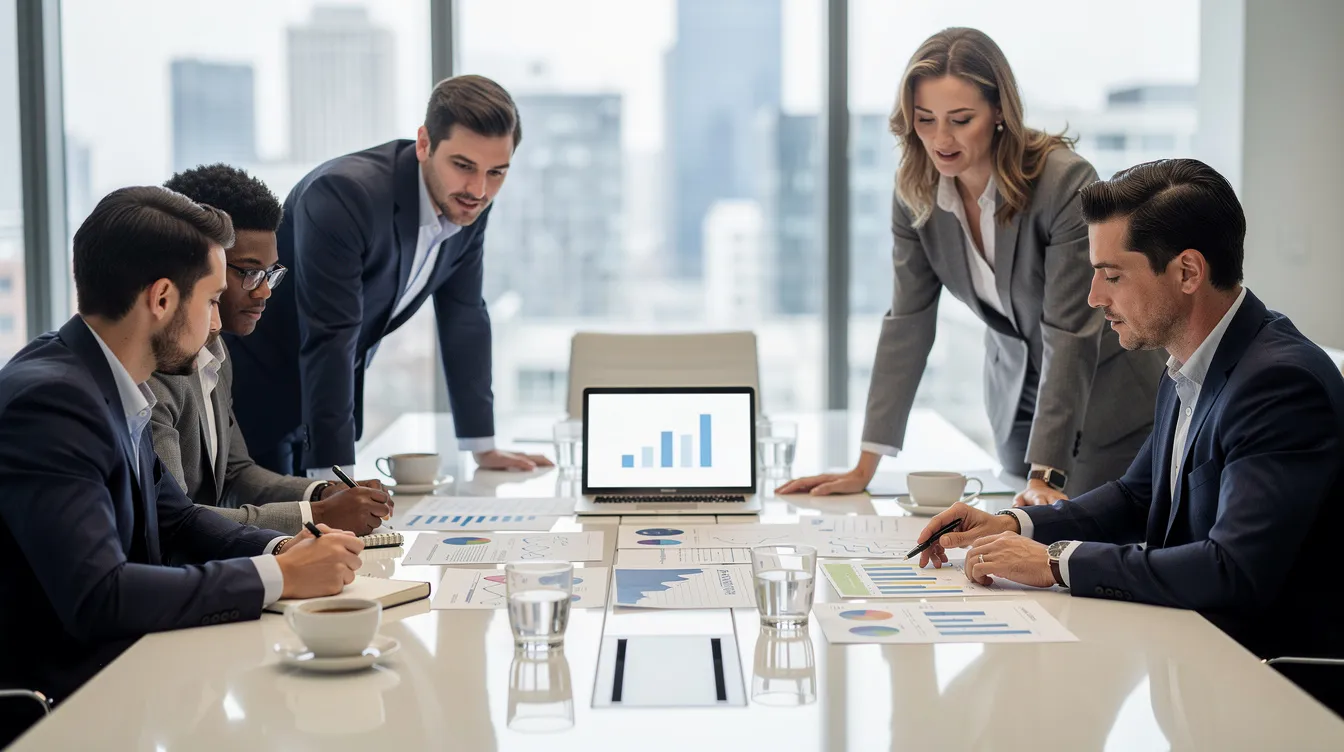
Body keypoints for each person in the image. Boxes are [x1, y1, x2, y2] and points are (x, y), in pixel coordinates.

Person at [913, 158, 1344, 711]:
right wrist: (1015, 522)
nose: (1094, 297)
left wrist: (1053, 562)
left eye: (1112, 275)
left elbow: (1231, 569)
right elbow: (1137, 497)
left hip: (1267, 687)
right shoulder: (1191, 358)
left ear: (1188, 273)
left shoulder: (1279, 384)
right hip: (1193, 665)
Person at [0, 187, 364, 730]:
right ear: (163, 299)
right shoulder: (52, 402)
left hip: (124, 682)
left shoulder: (101, 380)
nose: (218, 325)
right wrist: (277, 575)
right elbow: (102, 594)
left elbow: (177, 518)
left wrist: (288, 546)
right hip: (60, 711)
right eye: (213, 300)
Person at [779, 28, 1165, 505]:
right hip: (1015, 402)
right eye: (925, 119)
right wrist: (865, 464)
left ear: (999, 111)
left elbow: (1069, 331)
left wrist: (1046, 473)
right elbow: (908, 324)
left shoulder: (1064, 183)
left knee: (1081, 544)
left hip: (1104, 401)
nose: (941, 139)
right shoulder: (916, 193)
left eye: (961, 120)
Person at [227, 75, 551, 481]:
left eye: (497, 172)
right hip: (253, 402)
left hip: (321, 404)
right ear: (424, 144)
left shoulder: (465, 205)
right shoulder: (345, 195)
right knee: (278, 539)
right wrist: (335, 479)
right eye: (463, 166)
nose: (479, 189)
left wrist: (481, 445)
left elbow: (464, 316)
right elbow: (331, 335)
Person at [149, 164, 392, 536]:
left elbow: (234, 472)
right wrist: (316, 515)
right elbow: (175, 521)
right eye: (249, 272)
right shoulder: (150, 374)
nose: (265, 292)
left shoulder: (215, 352)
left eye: (271, 273)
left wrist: (325, 492)